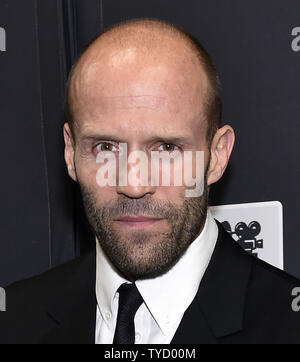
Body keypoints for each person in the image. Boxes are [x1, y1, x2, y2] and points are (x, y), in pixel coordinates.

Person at [1, 18, 300, 344]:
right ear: (70, 153)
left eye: (167, 148)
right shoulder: (14, 321)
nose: (134, 184)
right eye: (105, 147)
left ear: (216, 157)